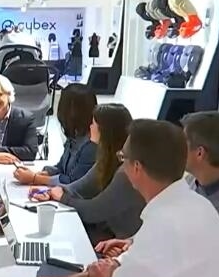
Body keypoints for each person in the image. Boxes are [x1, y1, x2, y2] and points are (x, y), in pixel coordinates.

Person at [21, 120, 219, 277]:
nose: (121, 164)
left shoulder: (165, 225)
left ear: (136, 167)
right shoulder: (195, 205)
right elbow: (130, 266)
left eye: (123, 157)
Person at [98, 111, 219, 259]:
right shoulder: (192, 181)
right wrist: (132, 242)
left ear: (200, 153)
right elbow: (164, 226)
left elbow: (195, 264)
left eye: (183, 142)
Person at [31, 104, 143, 244]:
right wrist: (52, 192)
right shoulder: (107, 159)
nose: (90, 126)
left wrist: (63, 197)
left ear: (105, 131)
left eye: (93, 123)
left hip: (123, 241)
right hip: (110, 234)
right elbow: (80, 186)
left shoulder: (125, 172)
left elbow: (93, 211)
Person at [14, 83, 97, 185]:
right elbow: (62, 168)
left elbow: (73, 182)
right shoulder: (74, 136)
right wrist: (44, 174)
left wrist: (35, 179)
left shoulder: (91, 146)